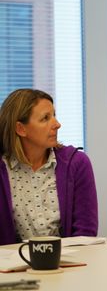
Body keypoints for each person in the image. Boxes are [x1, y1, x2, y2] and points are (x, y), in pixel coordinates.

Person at [0, 89, 98, 245]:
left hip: (69, 262)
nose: (57, 124)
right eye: (45, 118)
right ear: (20, 129)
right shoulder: (3, 170)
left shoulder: (77, 163)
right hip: (11, 266)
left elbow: (85, 234)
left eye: (54, 115)